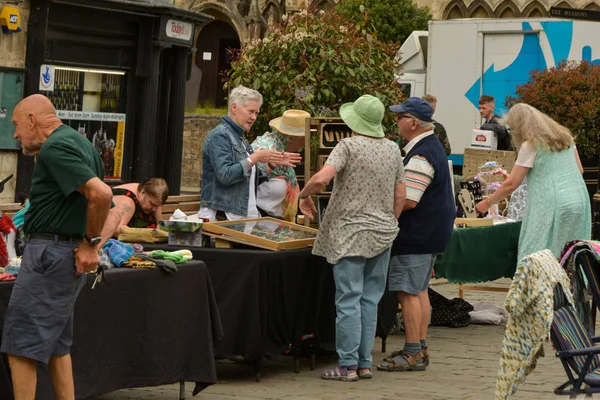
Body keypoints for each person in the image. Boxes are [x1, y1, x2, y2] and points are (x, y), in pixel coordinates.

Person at [2, 94, 112, 399]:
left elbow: (101, 195)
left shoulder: (54, 147)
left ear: (32, 120)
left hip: (50, 254)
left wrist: (90, 245)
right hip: (61, 254)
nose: (15, 134)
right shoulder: (81, 142)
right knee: (57, 347)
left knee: (21, 346)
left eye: (16, 125)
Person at [298, 94, 406, 382]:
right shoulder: (393, 151)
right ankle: (364, 363)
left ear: (355, 121)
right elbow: (401, 195)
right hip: (382, 233)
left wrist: (303, 194)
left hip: (348, 233)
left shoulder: (347, 146)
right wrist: (389, 221)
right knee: (370, 301)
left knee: (348, 300)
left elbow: (322, 178)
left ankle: (347, 366)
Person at [378, 97, 455, 372]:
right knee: (420, 290)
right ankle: (419, 347)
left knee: (408, 292)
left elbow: (409, 199)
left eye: (400, 117)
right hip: (430, 232)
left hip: (416, 234)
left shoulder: (422, 154)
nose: (396, 121)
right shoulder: (431, 147)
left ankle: (412, 352)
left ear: (413, 122)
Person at [475, 103, 590, 261]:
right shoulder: (566, 138)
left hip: (552, 203)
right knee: (571, 254)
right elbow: (580, 170)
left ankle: (537, 285)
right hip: (579, 200)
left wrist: (487, 203)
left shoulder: (531, 145)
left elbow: (512, 184)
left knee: (536, 252)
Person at [199, 86, 301, 221]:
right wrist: (255, 158)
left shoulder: (239, 137)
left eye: (256, 113)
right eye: (250, 111)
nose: (253, 117)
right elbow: (226, 175)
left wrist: (271, 165)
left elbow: (250, 179)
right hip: (223, 218)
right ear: (234, 108)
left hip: (240, 217)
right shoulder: (220, 136)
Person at [252, 109, 310, 221]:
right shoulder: (269, 151)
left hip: (272, 223)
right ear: (293, 138)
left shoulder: (281, 150)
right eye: (305, 137)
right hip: (259, 224)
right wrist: (271, 165)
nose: (307, 141)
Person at [105, 177, 169, 238]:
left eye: (158, 206)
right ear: (142, 193)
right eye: (152, 204)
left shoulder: (153, 198)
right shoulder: (127, 201)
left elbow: (159, 226)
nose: (155, 209)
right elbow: (117, 229)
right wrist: (148, 235)